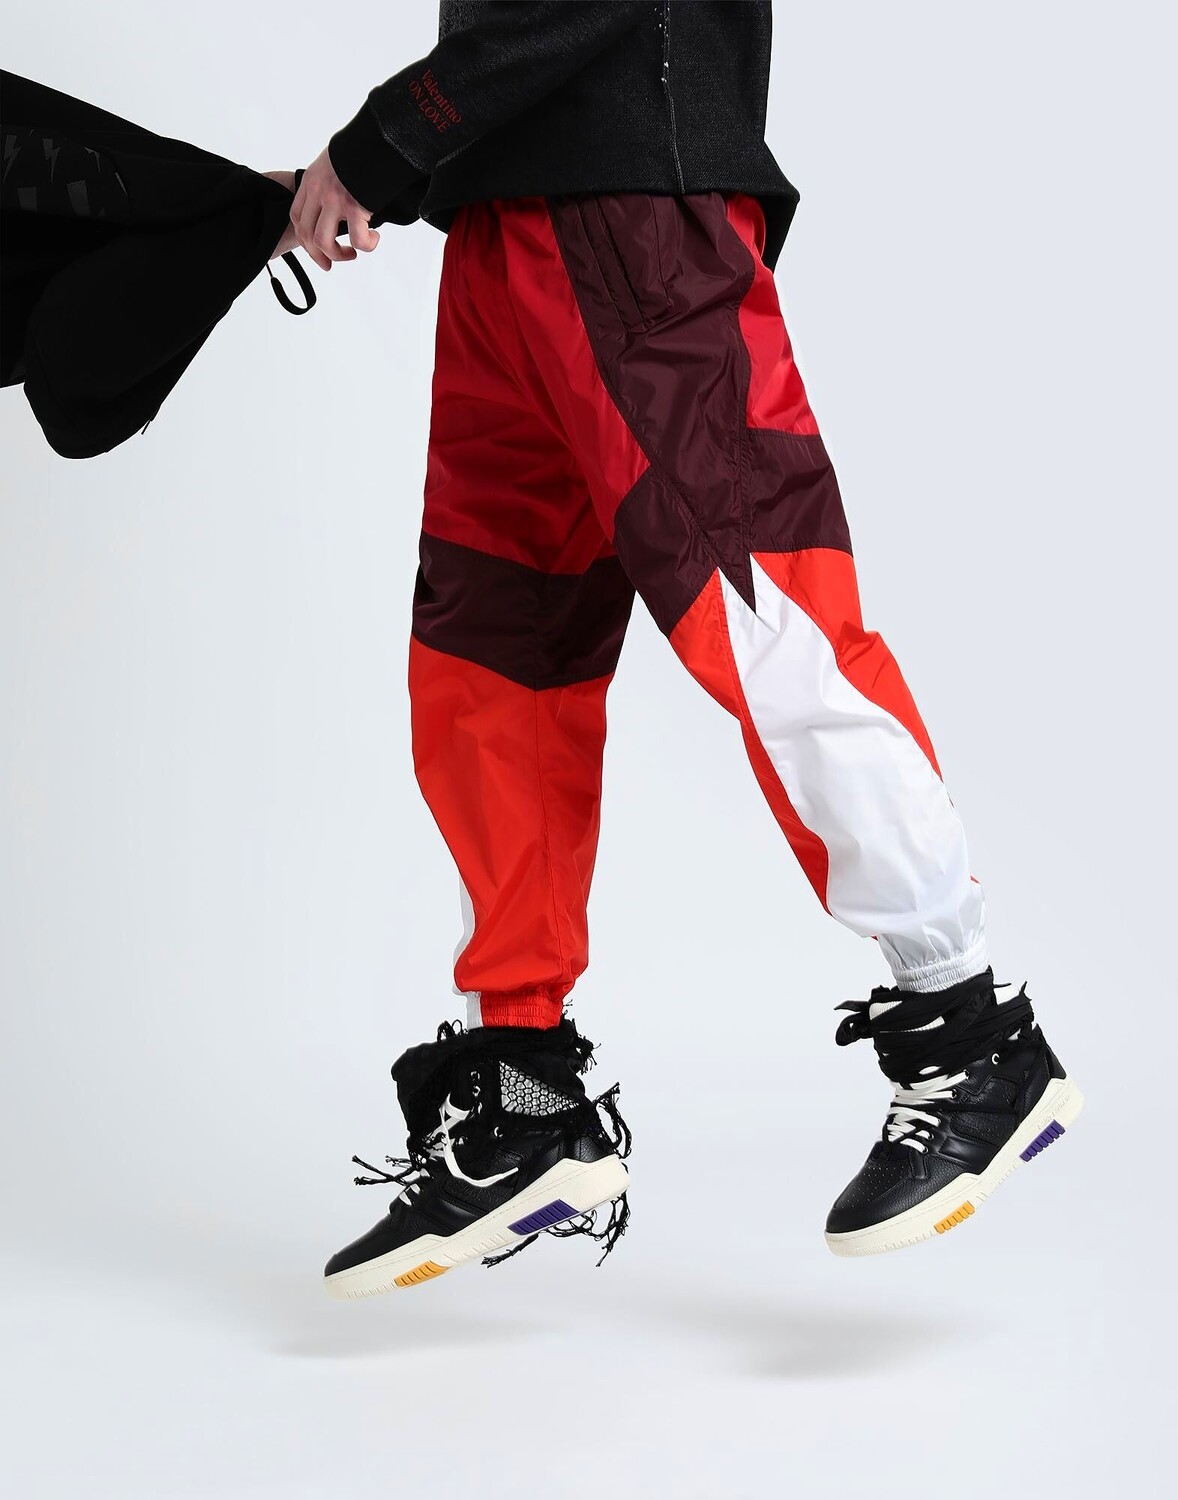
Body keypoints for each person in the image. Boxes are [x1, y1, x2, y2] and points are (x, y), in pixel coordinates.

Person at [286, 2, 1082, 1299]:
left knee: (762, 610)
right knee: (492, 657)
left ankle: (971, 1029)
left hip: (632, 214)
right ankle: (525, 1081)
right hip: (508, 220)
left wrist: (386, 140)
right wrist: (414, 161)